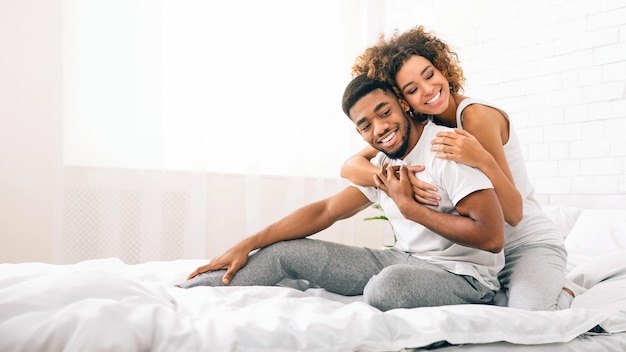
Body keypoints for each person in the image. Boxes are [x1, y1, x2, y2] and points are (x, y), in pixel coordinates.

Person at [178, 75, 506, 312]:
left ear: (403, 105)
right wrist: (247, 243)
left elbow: (491, 236)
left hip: (465, 278)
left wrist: (413, 209)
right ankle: (180, 295)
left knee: (386, 287)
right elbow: (327, 211)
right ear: (359, 131)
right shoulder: (384, 162)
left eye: (384, 112)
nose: (379, 128)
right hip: (404, 259)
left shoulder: (444, 150)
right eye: (366, 125)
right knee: (284, 252)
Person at [340, 25, 575, 311]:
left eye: (430, 75)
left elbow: (513, 214)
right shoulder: (427, 126)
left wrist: (482, 159)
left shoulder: (474, 117)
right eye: (412, 89)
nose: (428, 90)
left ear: (442, 68)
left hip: (524, 243)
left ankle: (567, 291)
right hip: (480, 259)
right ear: (403, 101)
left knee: (530, 319)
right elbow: (350, 166)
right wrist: (393, 182)